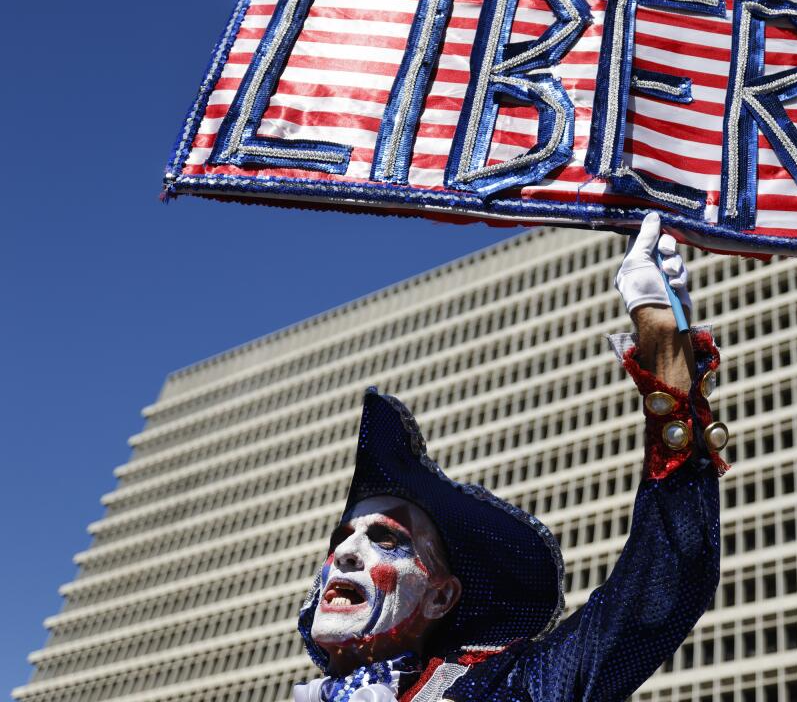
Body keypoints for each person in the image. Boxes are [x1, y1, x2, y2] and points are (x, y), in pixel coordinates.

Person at [293, 213, 731, 702]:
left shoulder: (507, 688)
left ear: (441, 596)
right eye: (342, 539)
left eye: (386, 540)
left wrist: (664, 349)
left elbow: (658, 590)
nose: (347, 554)